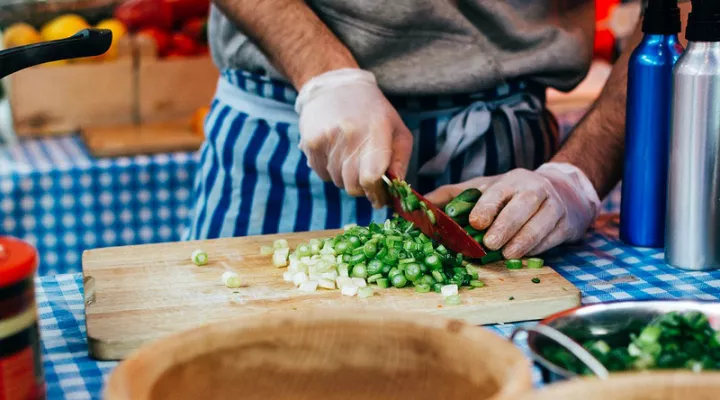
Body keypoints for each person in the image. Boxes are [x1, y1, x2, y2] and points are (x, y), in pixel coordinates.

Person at [185, 0, 660, 259]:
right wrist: (322, 71)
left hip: (504, 164)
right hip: (288, 132)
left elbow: (680, 10)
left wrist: (575, 175)